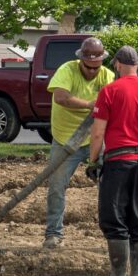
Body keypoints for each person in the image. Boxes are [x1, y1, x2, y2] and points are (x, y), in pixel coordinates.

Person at [85, 44, 138, 276]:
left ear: (117, 64)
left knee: (114, 216)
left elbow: (98, 133)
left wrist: (93, 161)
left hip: (119, 162)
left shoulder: (110, 91)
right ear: (137, 65)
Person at [42, 36, 114, 249]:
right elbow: (61, 97)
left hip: (95, 139)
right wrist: (91, 105)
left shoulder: (107, 76)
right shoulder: (67, 70)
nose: (92, 71)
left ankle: (113, 234)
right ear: (80, 59)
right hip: (65, 139)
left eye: (96, 67)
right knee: (56, 186)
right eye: (88, 66)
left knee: (111, 185)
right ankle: (53, 234)